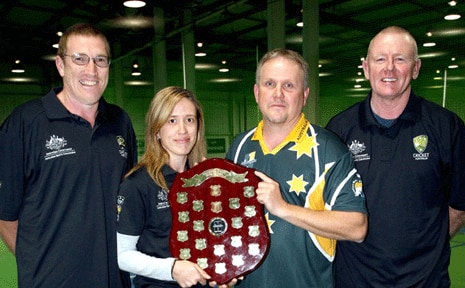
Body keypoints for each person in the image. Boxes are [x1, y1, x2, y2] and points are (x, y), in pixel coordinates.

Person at [0, 23, 137, 288]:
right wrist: (44, 265)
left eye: (100, 60)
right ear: (61, 66)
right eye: (80, 59)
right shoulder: (24, 123)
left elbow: (129, 200)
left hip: (113, 280)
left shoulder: (120, 122)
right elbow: (7, 218)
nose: (91, 70)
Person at [326, 26, 465, 287]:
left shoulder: (447, 127)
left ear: (415, 67)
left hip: (427, 282)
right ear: (366, 68)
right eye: (380, 59)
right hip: (354, 282)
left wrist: (425, 246)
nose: (389, 68)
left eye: (400, 59)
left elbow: (459, 206)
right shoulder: (339, 129)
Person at [225, 48, 368, 287]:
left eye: (289, 85)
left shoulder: (328, 149)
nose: (278, 94)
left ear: (304, 94)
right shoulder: (239, 147)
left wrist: (283, 208)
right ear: (257, 92)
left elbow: (357, 227)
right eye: (270, 83)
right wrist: (227, 270)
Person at [117, 86, 233, 288]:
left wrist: (222, 271)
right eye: (172, 121)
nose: (183, 130)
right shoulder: (138, 184)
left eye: (189, 120)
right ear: (157, 130)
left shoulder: (208, 181)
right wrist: (172, 269)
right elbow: (122, 255)